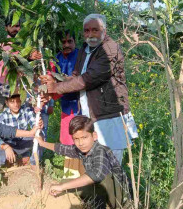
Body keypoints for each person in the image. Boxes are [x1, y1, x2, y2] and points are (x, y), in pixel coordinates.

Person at [40, 14, 138, 164]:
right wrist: (54, 85)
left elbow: (89, 78)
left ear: (103, 30)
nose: (90, 34)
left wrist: (57, 87)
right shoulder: (85, 49)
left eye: (95, 30)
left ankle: (116, 187)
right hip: (92, 113)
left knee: (112, 161)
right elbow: (76, 77)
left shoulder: (110, 48)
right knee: (96, 160)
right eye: (87, 31)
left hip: (110, 114)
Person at [35, 115, 133, 209]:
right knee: (65, 181)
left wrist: (63, 187)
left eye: (84, 137)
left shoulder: (101, 151)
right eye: (76, 139)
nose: (81, 143)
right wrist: (43, 143)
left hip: (119, 196)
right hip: (101, 190)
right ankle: (96, 204)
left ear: (94, 136)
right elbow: (62, 148)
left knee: (100, 179)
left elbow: (96, 174)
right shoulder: (83, 149)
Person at [0, 19, 43, 123]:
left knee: (9, 121)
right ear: (6, 28)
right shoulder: (5, 42)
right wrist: (29, 57)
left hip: (13, 90)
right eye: (12, 26)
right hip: (0, 86)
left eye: (17, 26)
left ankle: (1, 139)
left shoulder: (22, 45)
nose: (15, 28)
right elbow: (11, 59)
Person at [54, 30, 84, 178]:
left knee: (82, 137)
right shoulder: (56, 58)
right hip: (66, 105)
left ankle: (84, 174)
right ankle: (71, 175)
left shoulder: (80, 56)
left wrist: (65, 81)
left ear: (75, 42)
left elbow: (79, 80)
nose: (66, 45)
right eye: (63, 42)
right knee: (68, 138)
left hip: (81, 104)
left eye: (69, 41)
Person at [0, 93, 44, 167]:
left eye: (18, 101)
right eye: (12, 102)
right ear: (6, 102)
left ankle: (32, 160)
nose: (16, 105)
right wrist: (6, 147)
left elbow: (34, 124)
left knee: (39, 136)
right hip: (9, 143)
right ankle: (13, 154)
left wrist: (38, 124)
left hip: (23, 142)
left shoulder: (26, 111)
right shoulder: (2, 117)